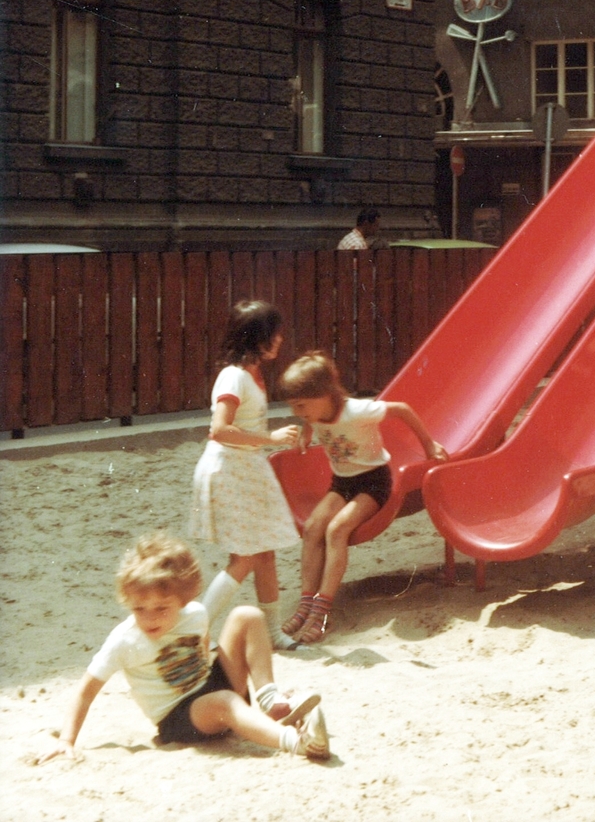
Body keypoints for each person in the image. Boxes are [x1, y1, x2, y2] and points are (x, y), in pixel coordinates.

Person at [35, 533, 329, 763]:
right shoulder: (124, 640)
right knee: (225, 701)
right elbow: (86, 689)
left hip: (209, 687)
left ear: (183, 599)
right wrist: (66, 740)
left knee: (247, 615)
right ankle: (297, 742)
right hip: (179, 717)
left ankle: (269, 701)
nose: (150, 617)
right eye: (140, 608)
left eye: (162, 608)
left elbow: (203, 651)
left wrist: (233, 671)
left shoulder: (195, 614)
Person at [276, 351, 449, 644]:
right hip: (342, 481)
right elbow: (312, 419)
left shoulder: (358, 411)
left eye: (301, 405)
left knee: (336, 530)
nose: (298, 412)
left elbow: (403, 409)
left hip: (373, 482)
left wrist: (429, 445)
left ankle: (322, 611)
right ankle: (306, 601)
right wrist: (307, 430)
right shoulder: (315, 411)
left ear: (325, 394)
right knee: (313, 527)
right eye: (294, 406)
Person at [190, 301, 301, 651]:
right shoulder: (234, 376)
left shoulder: (253, 373)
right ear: (257, 338)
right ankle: (193, 634)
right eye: (273, 333)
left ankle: (272, 634)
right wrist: (271, 439)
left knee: (264, 553)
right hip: (230, 469)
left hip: (248, 468)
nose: (280, 339)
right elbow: (220, 429)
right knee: (245, 558)